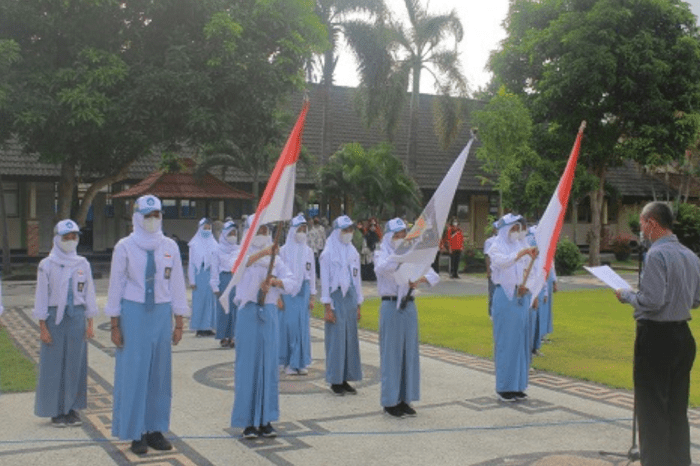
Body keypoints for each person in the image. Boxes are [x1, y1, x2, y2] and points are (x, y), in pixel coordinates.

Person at [615, 202, 700, 466]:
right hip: (681, 336)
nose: (640, 230)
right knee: (676, 409)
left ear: (651, 222)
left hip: (656, 337)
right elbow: (696, 300)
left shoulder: (656, 255)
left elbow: (652, 301)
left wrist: (627, 295)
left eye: (641, 224)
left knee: (652, 410)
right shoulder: (691, 255)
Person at [105, 195, 189, 455]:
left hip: (161, 314)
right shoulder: (125, 246)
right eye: (147, 215)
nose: (152, 220)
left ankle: (155, 429)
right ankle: (135, 432)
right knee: (134, 374)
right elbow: (116, 285)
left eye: (156, 215)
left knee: (159, 375)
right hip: (134, 313)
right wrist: (115, 324)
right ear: (136, 217)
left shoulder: (169, 246)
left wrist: (178, 321)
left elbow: (176, 284)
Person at [231, 215, 297, 439]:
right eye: (258, 230)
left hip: (269, 314)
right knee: (248, 366)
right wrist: (263, 253)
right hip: (248, 313)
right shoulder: (242, 253)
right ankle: (248, 421)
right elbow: (236, 268)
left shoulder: (276, 261)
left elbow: (292, 282)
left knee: (268, 367)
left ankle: (266, 419)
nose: (262, 234)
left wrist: (275, 282)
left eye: (265, 230)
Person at [33, 219, 98, 427]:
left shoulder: (82, 263)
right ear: (57, 239)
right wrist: (43, 326)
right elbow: (42, 296)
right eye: (66, 237)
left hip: (77, 317)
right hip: (55, 318)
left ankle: (72, 408)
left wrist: (90, 322)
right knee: (53, 365)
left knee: (75, 364)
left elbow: (89, 293)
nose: (70, 241)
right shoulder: (47, 264)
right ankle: (55, 410)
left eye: (73, 237)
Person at [374, 218, 439, 417]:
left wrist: (420, 278)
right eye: (396, 235)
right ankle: (390, 401)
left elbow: (434, 275)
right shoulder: (381, 252)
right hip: (391, 304)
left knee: (409, 354)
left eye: (404, 234)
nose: (400, 238)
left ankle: (406, 398)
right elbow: (381, 268)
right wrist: (401, 254)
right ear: (388, 236)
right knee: (391, 354)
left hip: (409, 305)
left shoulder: (412, 254)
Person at [487, 213, 538, 402]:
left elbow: (532, 269)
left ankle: (518, 385)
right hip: (505, 296)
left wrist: (530, 287)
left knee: (521, 342)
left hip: (522, 295)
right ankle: (504, 387)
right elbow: (504, 262)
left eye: (518, 228)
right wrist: (523, 253)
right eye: (514, 228)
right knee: (506, 342)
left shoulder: (522, 244)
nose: (517, 232)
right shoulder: (495, 246)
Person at [320, 215, 364, 396]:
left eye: (351, 229)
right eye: (345, 230)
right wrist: (327, 307)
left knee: (349, 339)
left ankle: (346, 377)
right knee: (336, 340)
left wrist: (359, 304)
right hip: (335, 296)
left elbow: (357, 278)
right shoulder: (328, 253)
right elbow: (324, 281)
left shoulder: (353, 252)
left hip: (350, 297)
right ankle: (335, 380)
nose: (349, 233)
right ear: (337, 231)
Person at [278, 214, 316, 375]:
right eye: (299, 229)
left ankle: (300, 362)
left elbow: (312, 273)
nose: (301, 232)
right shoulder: (283, 251)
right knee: (289, 326)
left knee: (302, 326)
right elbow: (278, 273)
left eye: (304, 229)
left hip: (304, 290)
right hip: (287, 291)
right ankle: (288, 362)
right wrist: (279, 296)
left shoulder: (308, 251)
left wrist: (313, 295)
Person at [211, 220, 239, 348]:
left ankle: (233, 336)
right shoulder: (217, 250)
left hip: (235, 281)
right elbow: (214, 269)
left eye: (235, 233)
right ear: (225, 235)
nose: (233, 236)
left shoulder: (239, 249)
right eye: (230, 233)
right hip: (223, 280)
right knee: (223, 309)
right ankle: (224, 336)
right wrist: (215, 286)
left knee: (235, 309)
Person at [188, 218, 218, 337]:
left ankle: (208, 327)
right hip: (199, 276)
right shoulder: (194, 244)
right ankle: (199, 328)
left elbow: (216, 262)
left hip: (210, 276)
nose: (207, 230)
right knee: (199, 302)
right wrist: (191, 280)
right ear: (200, 229)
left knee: (210, 303)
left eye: (209, 228)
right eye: (204, 228)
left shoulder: (215, 244)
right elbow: (191, 263)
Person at [484, 224, 497, 317]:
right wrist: (488, 271)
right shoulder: (489, 241)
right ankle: (491, 314)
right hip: (493, 270)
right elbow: (487, 256)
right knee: (492, 292)